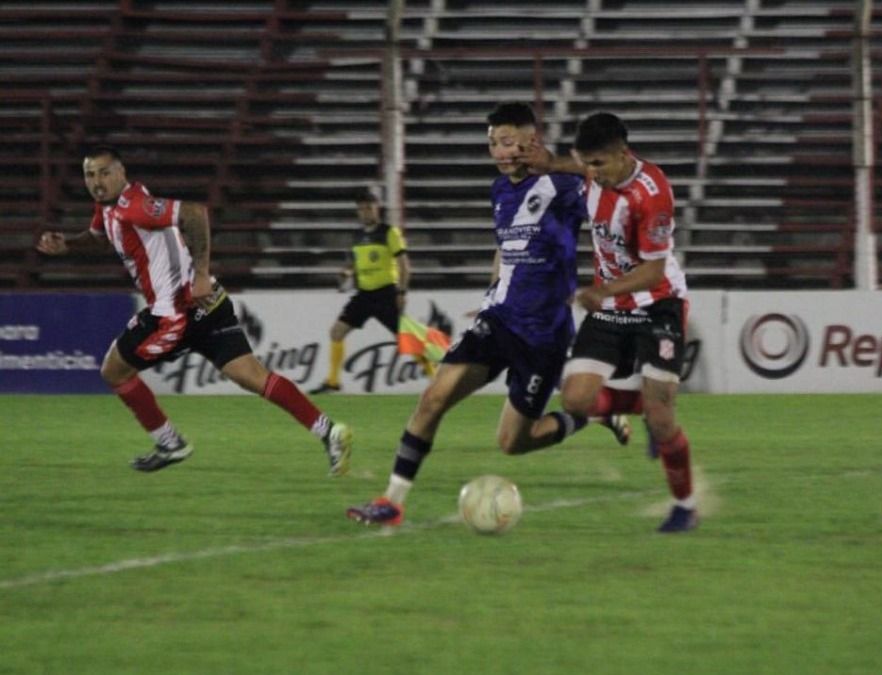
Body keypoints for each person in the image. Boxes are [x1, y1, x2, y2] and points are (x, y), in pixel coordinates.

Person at [346, 102, 628, 527]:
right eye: (494, 142)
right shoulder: (499, 192)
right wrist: (494, 289)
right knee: (432, 399)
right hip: (499, 320)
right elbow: (505, 247)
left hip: (543, 333)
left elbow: (610, 176)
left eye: (509, 141)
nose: (500, 151)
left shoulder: (565, 186)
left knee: (513, 443)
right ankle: (392, 502)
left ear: (531, 141)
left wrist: (556, 162)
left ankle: (590, 413)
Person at [36, 145, 352, 475]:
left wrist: (200, 273)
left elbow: (194, 213)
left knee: (113, 371)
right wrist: (68, 244)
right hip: (208, 306)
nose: (97, 181)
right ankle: (330, 433)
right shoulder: (108, 208)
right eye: (90, 174)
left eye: (104, 172)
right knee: (252, 376)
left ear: (121, 173)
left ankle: (170, 443)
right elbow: (101, 237)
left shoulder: (135, 206)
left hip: (173, 315)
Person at [528, 112, 698, 533]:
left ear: (624, 154)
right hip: (611, 303)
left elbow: (655, 271)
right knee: (575, 400)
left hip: (659, 304)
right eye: (587, 164)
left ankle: (685, 506)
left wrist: (601, 292)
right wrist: (551, 163)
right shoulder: (594, 173)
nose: (592, 173)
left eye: (600, 164)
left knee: (664, 423)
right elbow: (580, 165)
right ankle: (646, 405)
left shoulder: (651, 193)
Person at [310, 189, 434, 394]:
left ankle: (435, 378)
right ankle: (333, 381)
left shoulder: (389, 232)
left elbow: (404, 264)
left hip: (386, 293)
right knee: (336, 332)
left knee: (406, 338)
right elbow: (356, 265)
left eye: (369, 207)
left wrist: (402, 292)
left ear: (377, 208)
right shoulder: (357, 236)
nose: (365, 212)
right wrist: (347, 272)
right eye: (361, 209)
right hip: (364, 295)